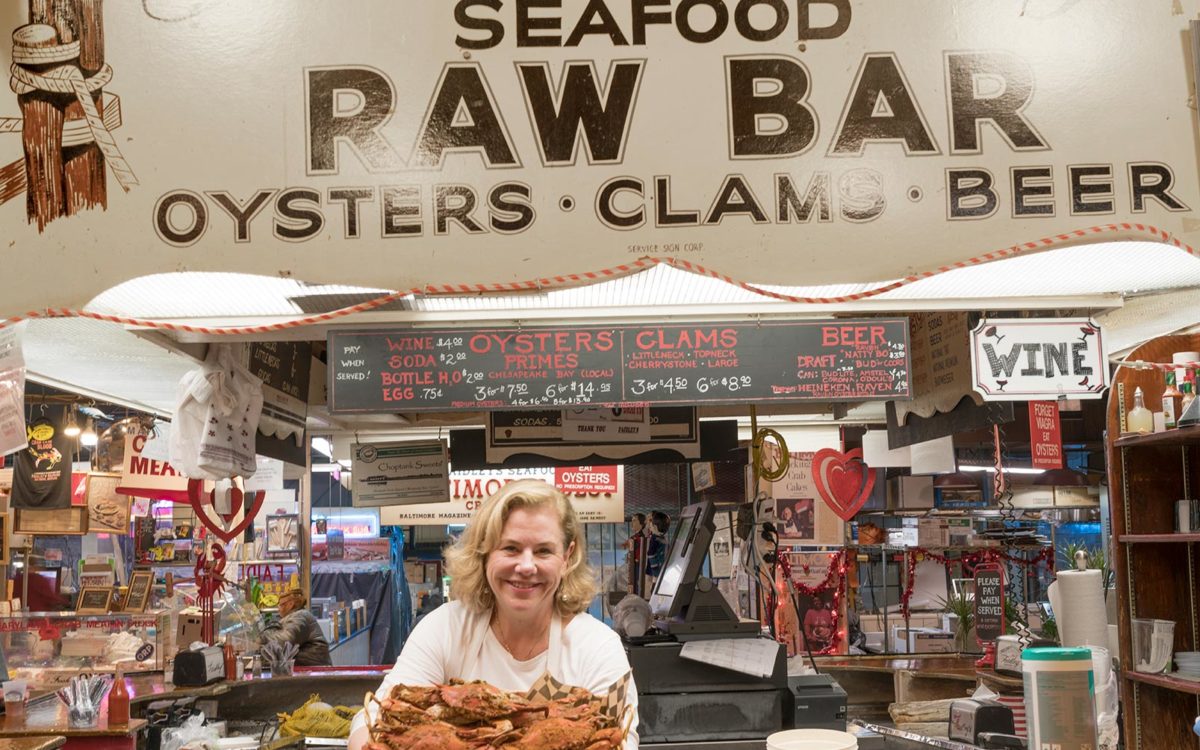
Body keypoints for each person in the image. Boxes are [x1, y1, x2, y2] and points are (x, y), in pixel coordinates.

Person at [348, 479, 639, 749]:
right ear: (484, 553)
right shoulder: (445, 628)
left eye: (543, 551)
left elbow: (619, 737)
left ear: (567, 557)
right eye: (510, 548)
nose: (526, 566)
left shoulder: (597, 647)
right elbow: (373, 719)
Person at [260, 586, 332, 667]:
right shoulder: (297, 616)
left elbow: (285, 642)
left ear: (291, 604)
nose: (278, 608)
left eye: (281, 605)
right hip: (311, 669)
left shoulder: (300, 616)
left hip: (315, 670)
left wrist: (263, 637)